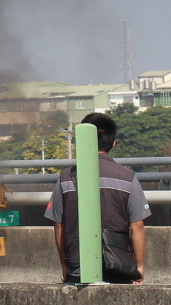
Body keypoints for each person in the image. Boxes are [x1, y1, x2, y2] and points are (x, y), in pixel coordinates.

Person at [44, 112, 151, 284]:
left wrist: (65, 265)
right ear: (113, 144)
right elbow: (137, 225)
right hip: (118, 265)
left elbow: (58, 224)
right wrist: (138, 266)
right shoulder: (128, 177)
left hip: (77, 266)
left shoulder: (65, 177)